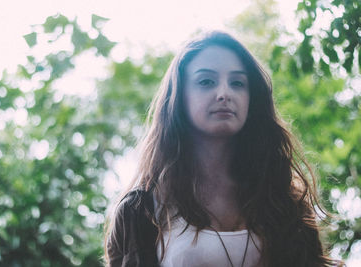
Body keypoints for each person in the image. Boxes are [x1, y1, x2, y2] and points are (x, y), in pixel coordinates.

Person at [104, 31, 341, 267]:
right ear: (179, 97)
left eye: (237, 83)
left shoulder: (283, 200)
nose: (224, 93)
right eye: (206, 81)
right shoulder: (141, 209)